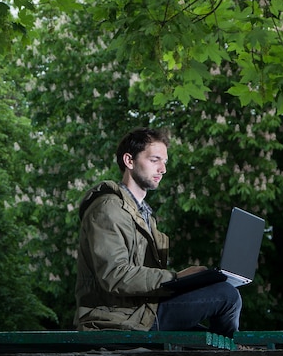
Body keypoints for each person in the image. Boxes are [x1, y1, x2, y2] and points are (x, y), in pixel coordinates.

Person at [74, 127, 242, 337]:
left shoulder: (143, 215)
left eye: (165, 162)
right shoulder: (108, 208)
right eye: (155, 160)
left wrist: (188, 282)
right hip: (115, 319)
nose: (162, 169)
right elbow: (114, 275)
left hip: (141, 312)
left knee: (209, 323)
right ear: (129, 161)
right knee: (227, 295)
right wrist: (176, 277)